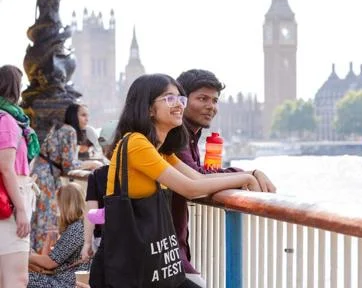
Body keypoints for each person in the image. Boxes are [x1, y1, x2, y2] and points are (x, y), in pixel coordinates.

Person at [90, 74, 262, 288]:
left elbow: (198, 178)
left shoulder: (161, 151)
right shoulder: (136, 143)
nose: (179, 105)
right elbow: (190, 189)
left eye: (181, 99)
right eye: (169, 99)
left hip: (154, 264)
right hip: (134, 266)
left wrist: (249, 174)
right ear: (148, 108)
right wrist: (246, 177)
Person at [174, 69, 276, 286]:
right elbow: (197, 179)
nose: (211, 106)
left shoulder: (190, 135)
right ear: (181, 100)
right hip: (164, 249)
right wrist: (245, 176)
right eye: (202, 98)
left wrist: (244, 174)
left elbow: (195, 172)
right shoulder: (175, 134)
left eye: (215, 100)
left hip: (173, 248)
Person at [30, 103, 102, 253]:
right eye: (83, 115)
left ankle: (35, 256)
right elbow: (69, 165)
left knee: (37, 218)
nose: (86, 119)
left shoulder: (61, 128)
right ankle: (42, 259)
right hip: (46, 177)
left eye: (87, 115)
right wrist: (92, 163)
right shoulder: (70, 131)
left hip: (41, 173)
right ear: (73, 116)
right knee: (46, 218)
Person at [0, 65, 40, 288]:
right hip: (11, 203)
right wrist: (22, 210)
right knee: (16, 278)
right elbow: (7, 168)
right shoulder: (6, 120)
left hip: (9, 198)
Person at [28, 182, 90, 287]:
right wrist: (49, 239)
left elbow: (49, 263)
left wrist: (25, 255)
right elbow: (47, 262)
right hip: (61, 278)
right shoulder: (77, 226)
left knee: (20, 276)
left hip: (66, 282)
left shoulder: (77, 228)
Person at [81, 120, 117, 261]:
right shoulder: (134, 174)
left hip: (102, 238)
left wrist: (87, 243)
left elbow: (92, 213)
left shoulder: (96, 175)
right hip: (130, 236)